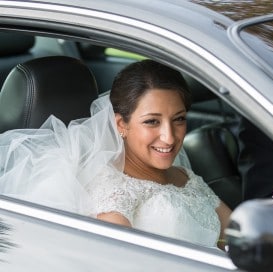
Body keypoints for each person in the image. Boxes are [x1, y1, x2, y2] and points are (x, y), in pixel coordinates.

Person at [0, 60, 231, 249]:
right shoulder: (112, 194)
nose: (169, 137)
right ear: (121, 124)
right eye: (152, 122)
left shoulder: (185, 176)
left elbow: (236, 234)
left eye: (179, 119)